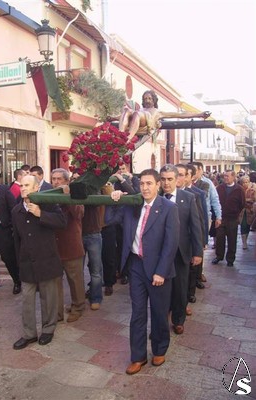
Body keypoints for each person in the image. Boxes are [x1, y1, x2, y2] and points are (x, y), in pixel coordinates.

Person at [105, 169, 179, 375]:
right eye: (142, 184)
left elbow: (170, 244)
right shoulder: (132, 206)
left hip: (158, 269)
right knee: (137, 313)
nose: (145, 188)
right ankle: (137, 357)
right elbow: (109, 220)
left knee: (158, 313)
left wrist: (161, 272)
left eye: (149, 183)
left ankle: (159, 349)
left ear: (157, 185)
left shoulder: (168, 208)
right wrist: (115, 199)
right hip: (136, 266)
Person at [12, 175, 67, 350]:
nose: (23, 188)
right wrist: (19, 262)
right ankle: (29, 334)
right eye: (21, 185)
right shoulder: (16, 211)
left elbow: (62, 222)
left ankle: (48, 329)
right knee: (27, 299)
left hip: (47, 260)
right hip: (27, 262)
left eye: (27, 185)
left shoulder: (48, 204)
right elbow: (16, 240)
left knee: (48, 298)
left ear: (37, 188)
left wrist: (40, 213)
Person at [160, 164, 203, 335]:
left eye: (170, 179)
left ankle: (178, 320)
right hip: (160, 252)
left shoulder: (188, 197)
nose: (166, 183)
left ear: (177, 178)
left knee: (180, 288)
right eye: (163, 179)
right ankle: (160, 322)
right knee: (161, 289)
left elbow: (195, 225)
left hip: (181, 251)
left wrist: (197, 252)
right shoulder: (155, 197)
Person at [51, 168, 86, 323]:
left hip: (72, 246)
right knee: (55, 282)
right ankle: (57, 313)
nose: (56, 182)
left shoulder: (75, 192)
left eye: (59, 179)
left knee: (75, 280)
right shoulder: (49, 195)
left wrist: (67, 196)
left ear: (66, 181)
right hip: (54, 247)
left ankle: (78, 307)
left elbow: (79, 213)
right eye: (54, 179)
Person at [119, 90, 210, 140]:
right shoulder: (140, 109)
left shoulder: (157, 112)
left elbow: (179, 115)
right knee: (127, 110)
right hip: (137, 121)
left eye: (149, 98)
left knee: (136, 113)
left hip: (145, 123)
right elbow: (124, 118)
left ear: (154, 100)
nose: (147, 100)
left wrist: (199, 114)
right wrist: (111, 118)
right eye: (145, 98)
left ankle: (127, 139)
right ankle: (120, 135)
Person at [212, 170, 245, 267]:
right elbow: (215, 201)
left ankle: (230, 259)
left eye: (227, 176)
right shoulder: (219, 188)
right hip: (221, 217)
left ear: (233, 177)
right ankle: (219, 256)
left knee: (232, 239)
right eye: (224, 176)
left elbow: (242, 203)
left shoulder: (239, 189)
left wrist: (235, 212)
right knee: (220, 238)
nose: (225, 178)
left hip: (232, 218)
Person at [238, 175, 256, 249]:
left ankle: (246, 239)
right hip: (241, 210)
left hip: (250, 210)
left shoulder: (253, 190)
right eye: (244, 182)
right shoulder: (239, 190)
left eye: (247, 182)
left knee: (248, 226)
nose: (245, 183)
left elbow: (254, 199)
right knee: (243, 225)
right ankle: (244, 242)